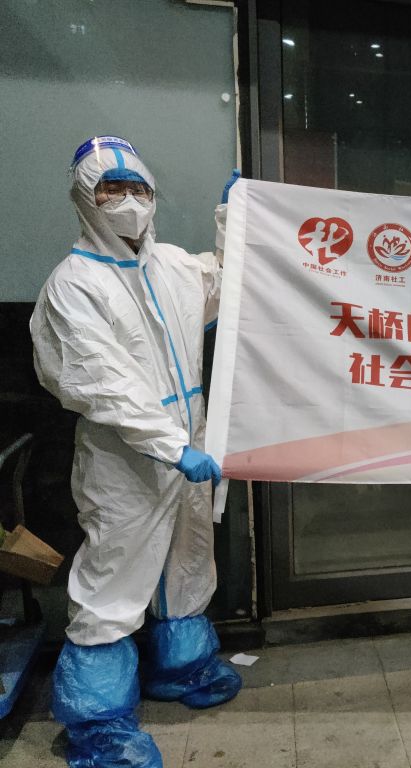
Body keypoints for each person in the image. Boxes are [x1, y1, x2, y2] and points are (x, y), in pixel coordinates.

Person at [30, 136, 242, 768]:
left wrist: (236, 220)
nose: (127, 201)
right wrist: (171, 444)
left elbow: (227, 284)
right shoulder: (74, 286)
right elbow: (103, 384)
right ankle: (98, 724)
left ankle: (182, 666)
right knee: (112, 582)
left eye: (138, 188)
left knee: (189, 559)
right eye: (111, 189)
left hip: (187, 449)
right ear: (84, 198)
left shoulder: (172, 266)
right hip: (125, 462)